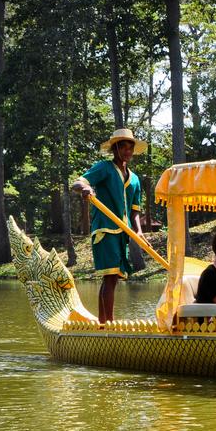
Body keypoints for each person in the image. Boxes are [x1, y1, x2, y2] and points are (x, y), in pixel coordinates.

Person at [71, 127, 146, 324]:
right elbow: (78, 183)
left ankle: (104, 322)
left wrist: (138, 230)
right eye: (124, 147)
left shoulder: (135, 179)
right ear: (115, 149)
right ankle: (108, 324)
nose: (128, 151)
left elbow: (135, 210)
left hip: (124, 232)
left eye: (131, 148)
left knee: (112, 279)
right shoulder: (104, 167)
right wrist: (86, 188)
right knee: (110, 276)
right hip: (105, 228)